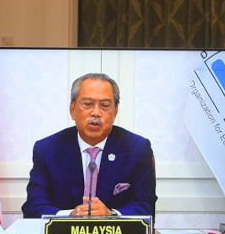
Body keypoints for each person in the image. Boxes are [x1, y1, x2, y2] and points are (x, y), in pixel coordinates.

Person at [21, 73, 157, 218]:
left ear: (115, 112)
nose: (96, 113)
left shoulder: (137, 148)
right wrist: (69, 216)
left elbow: (146, 205)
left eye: (105, 106)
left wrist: (111, 215)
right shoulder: (47, 149)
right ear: (72, 110)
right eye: (88, 104)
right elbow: (33, 205)